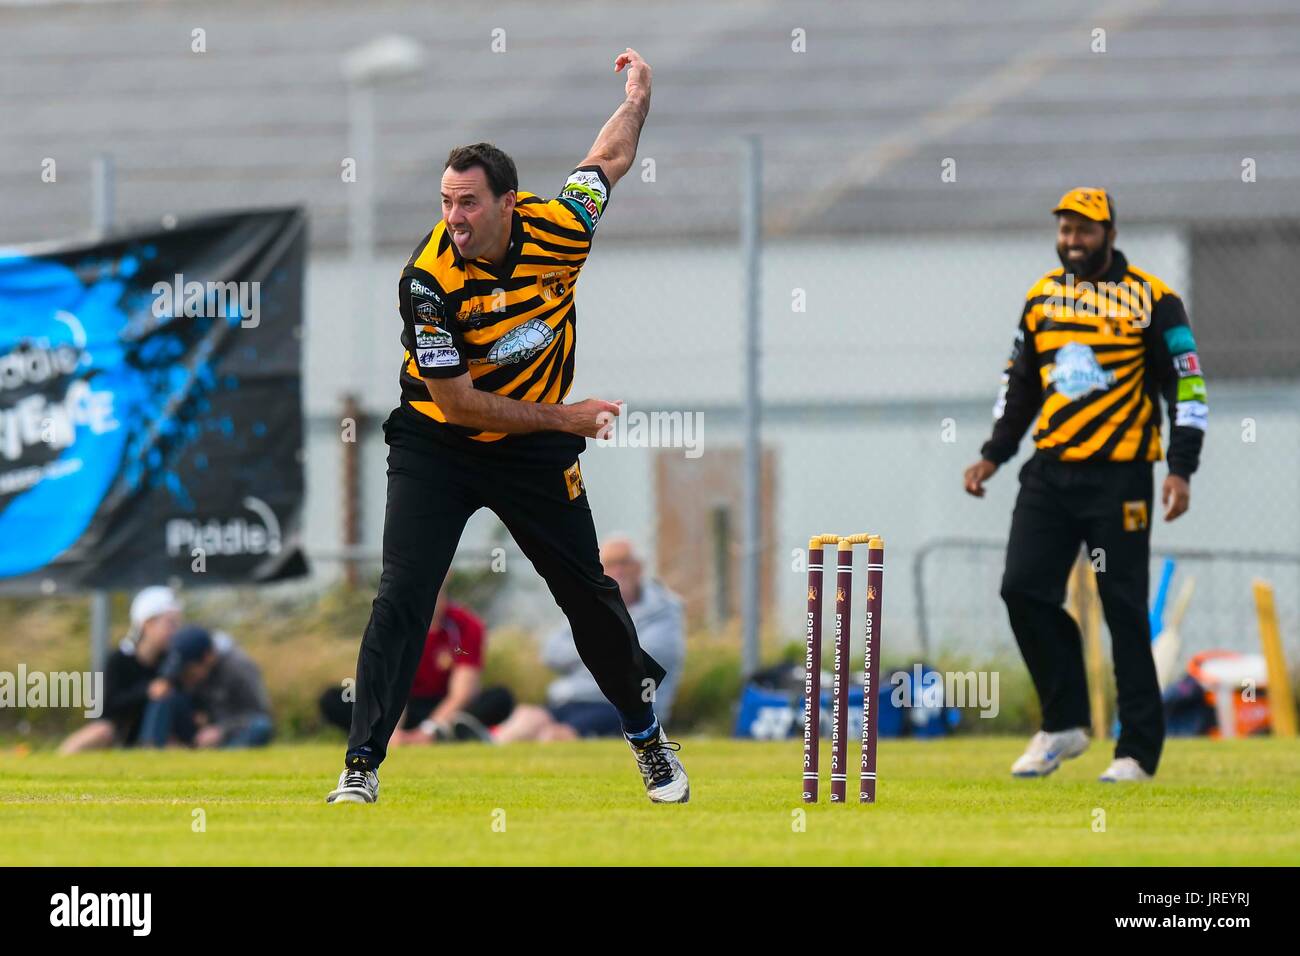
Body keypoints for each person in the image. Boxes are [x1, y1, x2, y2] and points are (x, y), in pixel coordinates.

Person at [327, 48, 688, 805]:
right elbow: (458, 404)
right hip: (439, 442)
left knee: (589, 593)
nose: (453, 219)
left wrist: (639, 95)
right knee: (403, 596)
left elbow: (608, 157)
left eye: (468, 203)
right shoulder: (428, 282)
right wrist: (569, 415)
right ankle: (361, 766)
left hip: (531, 448)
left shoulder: (563, 226)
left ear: (509, 204)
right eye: (445, 202)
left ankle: (647, 741)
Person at [963, 187, 1207, 783]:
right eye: (1065, 230)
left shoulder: (1154, 299)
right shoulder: (1042, 298)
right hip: (1050, 474)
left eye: (1085, 231)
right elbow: (1018, 383)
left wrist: (1181, 467)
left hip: (1120, 477)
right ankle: (1065, 724)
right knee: (1022, 589)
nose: (1072, 242)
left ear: (1110, 234)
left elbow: (1188, 388)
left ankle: (1136, 753)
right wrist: (994, 453)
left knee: (1123, 611)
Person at [495, 535, 685, 741]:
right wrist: (602, 649)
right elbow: (551, 652)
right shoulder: (591, 604)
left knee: (554, 736)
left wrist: (590, 645)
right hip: (571, 697)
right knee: (525, 719)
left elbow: (646, 656)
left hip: (620, 705)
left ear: (639, 568)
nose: (618, 570)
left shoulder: (664, 609)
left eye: (624, 562)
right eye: (611, 564)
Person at [319, 585, 514, 743]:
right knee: (334, 699)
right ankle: (381, 732)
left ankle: (444, 733)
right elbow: (389, 684)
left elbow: (462, 692)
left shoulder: (467, 624)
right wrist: (391, 733)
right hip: (400, 706)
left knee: (501, 697)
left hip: (443, 707)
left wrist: (428, 730)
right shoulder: (393, 622)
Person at [58, 585, 182, 753]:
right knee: (101, 731)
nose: (175, 630)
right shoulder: (119, 660)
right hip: (117, 733)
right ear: (148, 624)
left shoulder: (172, 661)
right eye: (170, 623)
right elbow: (107, 707)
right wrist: (147, 691)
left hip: (154, 736)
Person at [137, 626, 273, 749]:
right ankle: (151, 749)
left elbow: (259, 713)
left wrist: (220, 730)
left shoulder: (239, 668)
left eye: (189, 670)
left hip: (230, 732)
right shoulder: (184, 669)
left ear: (208, 657)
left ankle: (225, 759)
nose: (185, 676)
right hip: (199, 732)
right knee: (163, 693)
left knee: (261, 726)